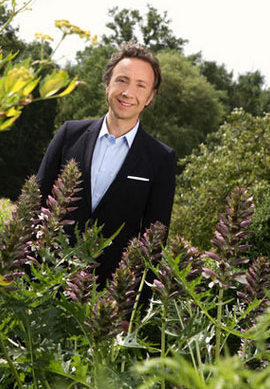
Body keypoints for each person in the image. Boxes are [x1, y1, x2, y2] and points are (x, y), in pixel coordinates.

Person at [36, 41, 176, 286]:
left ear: (150, 97)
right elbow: (37, 203)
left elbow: (154, 243)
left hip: (107, 296)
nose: (128, 92)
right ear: (107, 84)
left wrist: (132, 312)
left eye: (140, 85)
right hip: (46, 278)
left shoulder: (161, 159)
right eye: (122, 80)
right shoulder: (69, 134)